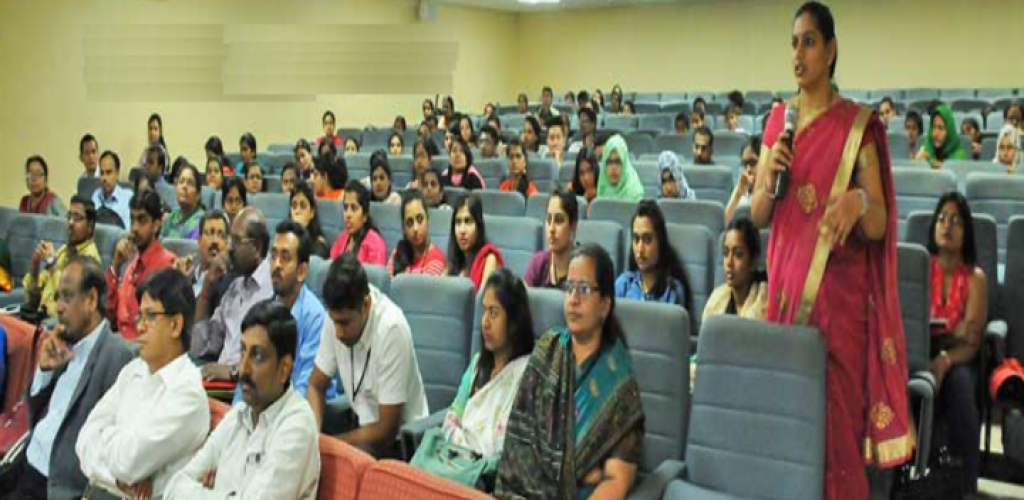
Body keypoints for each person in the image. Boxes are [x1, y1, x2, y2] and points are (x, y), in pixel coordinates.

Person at [751, 3, 911, 497]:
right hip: (784, 298)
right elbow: (758, 213)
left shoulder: (855, 127)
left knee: (836, 441)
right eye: (794, 42)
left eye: (809, 41)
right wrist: (772, 175)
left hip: (838, 312)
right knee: (789, 431)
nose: (798, 54)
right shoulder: (779, 119)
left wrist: (859, 200)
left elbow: (881, 222)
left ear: (831, 49)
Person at [496, 244, 645, 500]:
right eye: (569, 288)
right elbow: (520, 440)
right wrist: (582, 471)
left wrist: (586, 475)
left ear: (605, 305)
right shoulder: (547, 351)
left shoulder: (618, 385)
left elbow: (616, 480)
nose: (574, 299)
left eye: (584, 289)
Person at [0, 257, 133, 500]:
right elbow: (34, 416)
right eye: (58, 297)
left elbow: (113, 450)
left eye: (67, 297)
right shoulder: (64, 342)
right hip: (24, 465)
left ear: (91, 299)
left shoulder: (117, 356)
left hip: (56, 486)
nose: (59, 307)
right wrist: (44, 370)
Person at [165, 300, 321, 499]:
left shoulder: (296, 425)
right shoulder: (238, 415)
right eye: (243, 351)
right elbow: (175, 487)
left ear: (284, 369)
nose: (243, 369)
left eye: (257, 356)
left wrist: (202, 493)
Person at [76, 268, 209, 500]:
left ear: (176, 325)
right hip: (98, 491)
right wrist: (117, 478)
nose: (140, 326)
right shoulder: (134, 370)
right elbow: (84, 439)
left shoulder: (187, 395)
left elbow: (128, 462)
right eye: (140, 316)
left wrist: (107, 438)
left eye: (150, 316)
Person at [412, 269, 535, 490]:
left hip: (488, 479)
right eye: (484, 311)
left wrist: (476, 460)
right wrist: (462, 448)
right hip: (453, 463)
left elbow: (509, 445)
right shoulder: (478, 365)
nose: (485, 322)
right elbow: (453, 416)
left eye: (494, 313)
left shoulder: (527, 374)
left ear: (515, 323)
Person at [308, 255, 429, 457]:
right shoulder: (338, 315)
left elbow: (386, 431)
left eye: (344, 323)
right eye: (334, 322)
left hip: (398, 445)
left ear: (365, 305)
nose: (338, 332)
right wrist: (314, 436)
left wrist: (331, 446)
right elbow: (316, 385)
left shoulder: (391, 328)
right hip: (360, 428)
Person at [926, 192, 987, 495]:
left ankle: (967, 486)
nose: (947, 225)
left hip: (961, 361)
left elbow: (972, 342)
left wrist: (946, 358)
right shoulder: (921, 268)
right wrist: (953, 332)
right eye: (941, 219)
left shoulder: (976, 278)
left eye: (956, 220)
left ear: (966, 232)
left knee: (961, 384)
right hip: (923, 352)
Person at [192, 207, 274, 370]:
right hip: (220, 382)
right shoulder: (235, 287)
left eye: (236, 241)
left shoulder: (272, 289)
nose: (229, 248)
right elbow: (200, 347)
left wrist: (232, 372)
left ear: (256, 247)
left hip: (244, 384)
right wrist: (207, 287)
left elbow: (267, 360)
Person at [108, 190, 177, 341]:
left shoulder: (167, 265)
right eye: (132, 220)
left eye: (142, 220)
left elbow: (155, 326)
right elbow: (110, 315)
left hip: (141, 346)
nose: (134, 228)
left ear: (156, 225)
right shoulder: (130, 264)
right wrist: (116, 266)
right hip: (116, 341)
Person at [24, 196, 101, 319]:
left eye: (77, 218)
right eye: (69, 216)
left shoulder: (90, 259)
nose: (70, 223)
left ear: (90, 226)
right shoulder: (63, 251)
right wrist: (35, 266)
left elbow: (69, 297)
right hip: (38, 317)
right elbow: (32, 296)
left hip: (60, 324)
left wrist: (52, 263)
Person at [615, 201, 693, 310]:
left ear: (660, 242)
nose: (640, 249)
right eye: (636, 239)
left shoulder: (672, 291)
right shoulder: (623, 285)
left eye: (647, 240)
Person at [702, 217, 768, 322]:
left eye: (738, 254)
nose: (729, 262)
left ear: (753, 261)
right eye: (726, 253)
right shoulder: (717, 299)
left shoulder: (764, 303)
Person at [447, 195, 504, 292]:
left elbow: (483, 303)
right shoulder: (453, 261)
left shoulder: (489, 259)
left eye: (468, 221)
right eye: (458, 222)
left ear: (479, 226)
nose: (462, 230)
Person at [525, 189, 578, 289]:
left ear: (573, 225)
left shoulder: (584, 267)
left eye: (559, 220)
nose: (551, 229)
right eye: (549, 220)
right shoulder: (538, 262)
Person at [327, 180, 386, 267]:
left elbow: (374, 278)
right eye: (346, 208)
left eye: (354, 208)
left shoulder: (375, 243)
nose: (348, 214)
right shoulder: (342, 238)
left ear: (365, 215)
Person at [389, 190, 447, 278]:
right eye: (409, 223)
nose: (415, 228)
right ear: (404, 227)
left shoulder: (436, 259)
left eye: (420, 219)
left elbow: (424, 291)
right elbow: (388, 286)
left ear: (427, 219)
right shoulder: (398, 251)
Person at [174, 210, 229, 300]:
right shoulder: (189, 274)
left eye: (221, 235)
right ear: (199, 240)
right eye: (210, 233)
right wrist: (181, 281)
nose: (215, 240)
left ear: (226, 244)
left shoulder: (228, 284)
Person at [161, 163, 206, 240]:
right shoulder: (171, 217)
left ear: (198, 194)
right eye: (181, 181)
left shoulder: (202, 221)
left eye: (190, 183)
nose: (184, 186)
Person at [916, 104, 967, 168]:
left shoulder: (960, 156)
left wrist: (931, 162)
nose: (935, 134)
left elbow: (952, 170)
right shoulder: (926, 149)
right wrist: (918, 163)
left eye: (941, 128)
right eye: (934, 127)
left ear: (949, 131)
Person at [92, 151, 133, 230]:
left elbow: (128, 231)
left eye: (108, 172)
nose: (104, 178)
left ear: (117, 174)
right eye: (102, 173)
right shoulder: (96, 195)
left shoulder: (128, 197)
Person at [597, 135, 644, 203]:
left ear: (625, 164)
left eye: (618, 162)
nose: (613, 168)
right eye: (609, 162)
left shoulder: (635, 194)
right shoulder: (602, 187)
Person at [290, 181, 330, 259]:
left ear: (312, 212)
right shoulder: (284, 238)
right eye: (294, 206)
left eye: (303, 206)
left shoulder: (319, 244)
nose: (297, 211)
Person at [726, 138, 760, 223]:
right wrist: (738, 194)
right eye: (745, 164)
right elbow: (727, 223)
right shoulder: (741, 186)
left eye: (752, 163)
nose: (748, 169)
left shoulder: (771, 190)